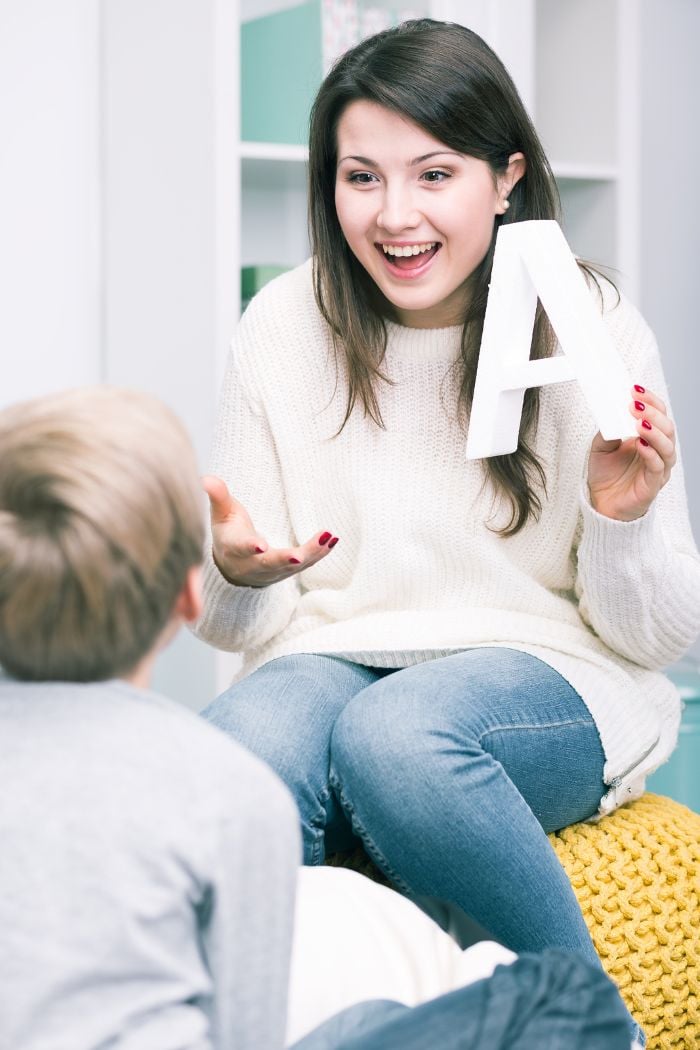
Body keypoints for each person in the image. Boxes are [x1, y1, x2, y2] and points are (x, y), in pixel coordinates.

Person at [194, 17, 700, 1047]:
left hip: (549, 671)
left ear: (504, 177)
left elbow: (657, 639)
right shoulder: (282, 324)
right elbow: (248, 626)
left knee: (400, 736)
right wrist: (241, 576)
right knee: (236, 750)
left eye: (434, 174)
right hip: (331, 655)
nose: (394, 215)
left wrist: (621, 515)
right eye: (360, 177)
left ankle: (595, 1027)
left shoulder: (586, 320)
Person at [0, 385, 631, 1050]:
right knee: (558, 1001)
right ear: (189, 596)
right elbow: (250, 1034)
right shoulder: (231, 793)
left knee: (371, 1014)